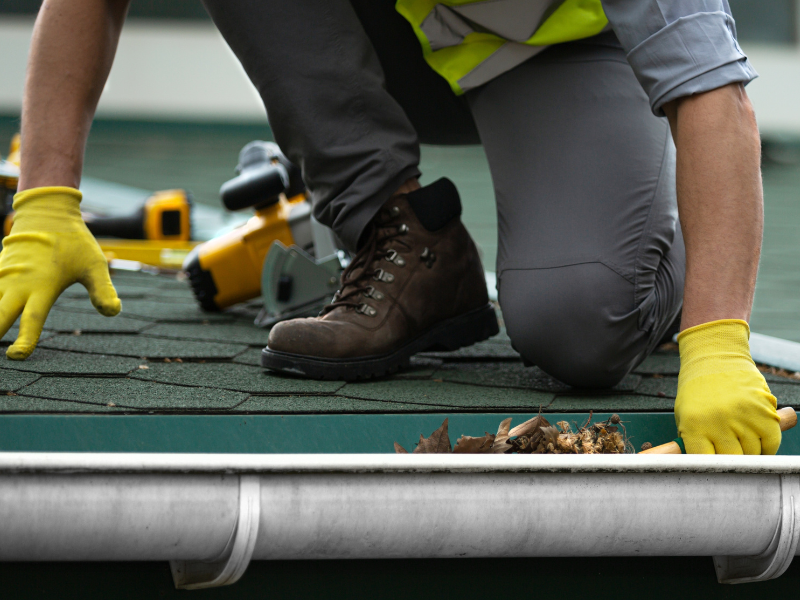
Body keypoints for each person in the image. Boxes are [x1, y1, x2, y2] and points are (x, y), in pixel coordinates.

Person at [0, 0, 780, 455]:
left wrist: (715, 335)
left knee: (581, 329)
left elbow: (715, 99)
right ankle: (398, 233)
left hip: (557, 56)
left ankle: (659, 249)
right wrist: (45, 204)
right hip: (389, 36)